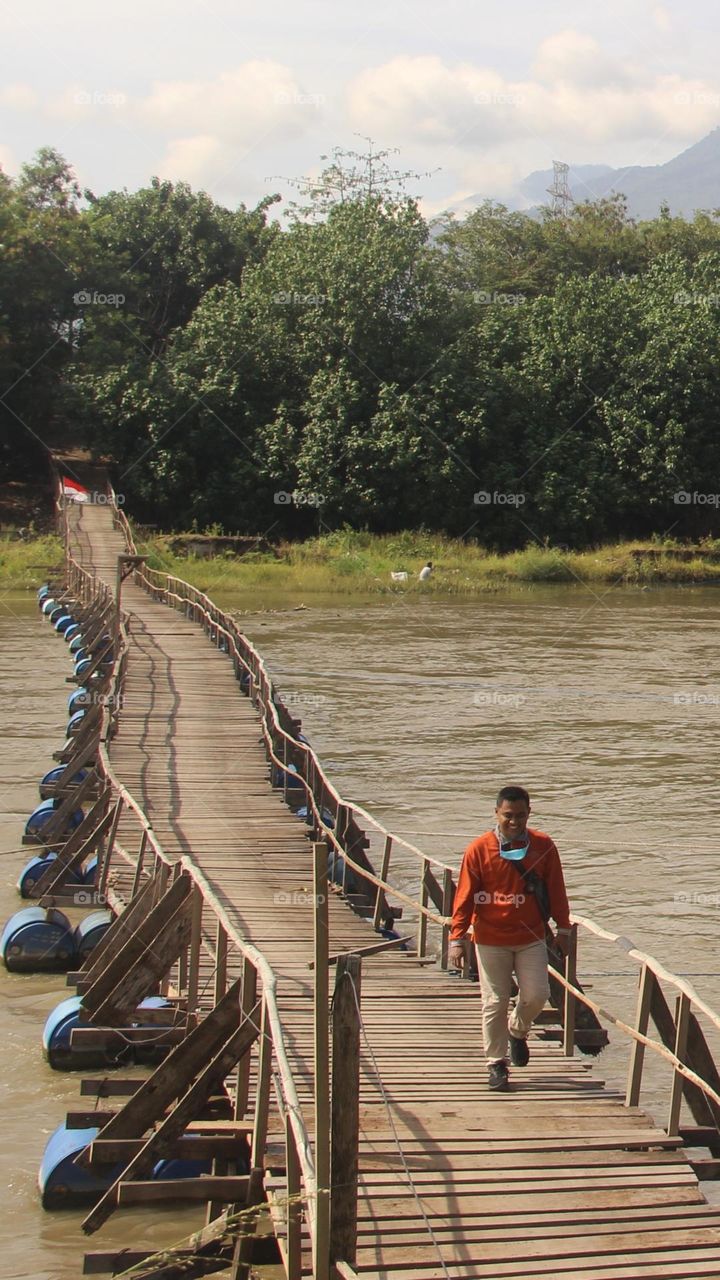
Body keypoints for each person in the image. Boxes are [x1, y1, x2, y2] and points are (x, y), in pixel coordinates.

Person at [448, 785, 571, 1091]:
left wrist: (564, 928)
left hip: (531, 936)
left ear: (529, 814)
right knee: (494, 1001)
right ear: (496, 814)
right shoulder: (478, 849)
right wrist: (457, 938)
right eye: (508, 816)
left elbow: (557, 888)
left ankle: (518, 1030)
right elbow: (464, 897)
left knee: (536, 995)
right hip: (490, 937)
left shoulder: (543, 846)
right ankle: (496, 1064)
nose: (514, 822)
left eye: (520, 816)